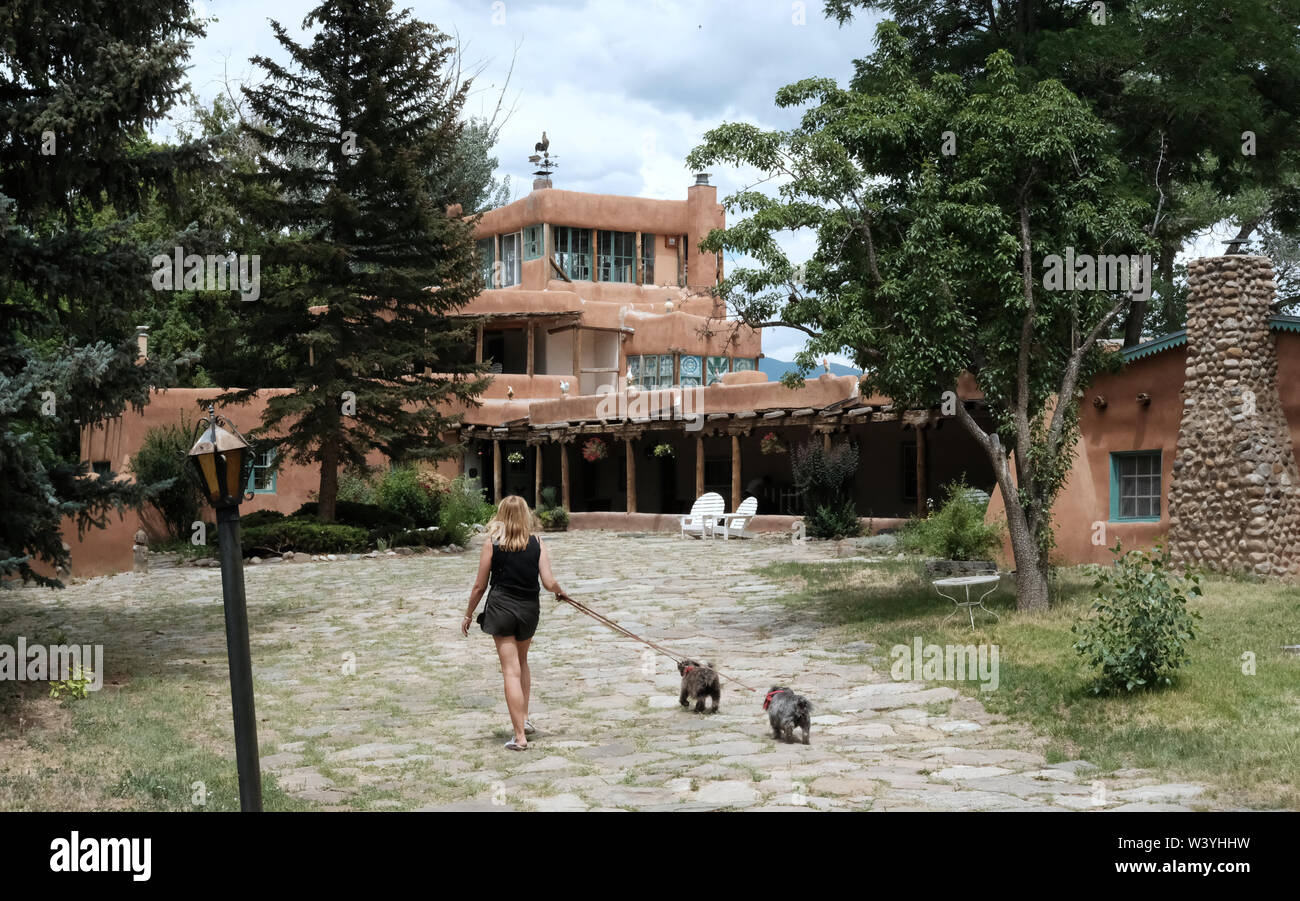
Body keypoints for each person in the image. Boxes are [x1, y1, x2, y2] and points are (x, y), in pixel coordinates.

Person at [461, 495, 566, 751]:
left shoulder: (493, 543)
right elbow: (549, 581)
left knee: (510, 671)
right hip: (529, 609)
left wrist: (468, 614)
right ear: (525, 515)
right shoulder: (537, 542)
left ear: (502, 515)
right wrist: (560, 592)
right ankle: (525, 719)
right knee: (522, 662)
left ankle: (519, 736)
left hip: (502, 608)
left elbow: (479, 586)